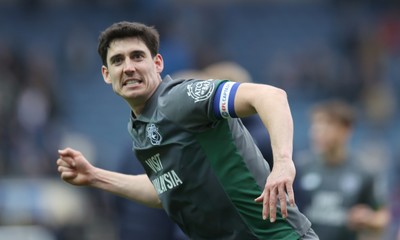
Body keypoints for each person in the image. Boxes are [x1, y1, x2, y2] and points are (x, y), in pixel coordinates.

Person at [56, 21, 318, 239]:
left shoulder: (180, 98)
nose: (129, 67)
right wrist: (94, 176)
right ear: (106, 74)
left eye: (137, 56)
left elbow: (271, 96)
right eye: (117, 60)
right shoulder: (139, 126)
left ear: (157, 63)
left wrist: (283, 163)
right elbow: (164, 190)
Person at [294, 99, 389, 240]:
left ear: (346, 129)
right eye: (315, 125)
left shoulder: (364, 172)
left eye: (327, 125)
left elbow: (383, 217)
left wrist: (369, 219)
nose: (318, 132)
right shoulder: (299, 167)